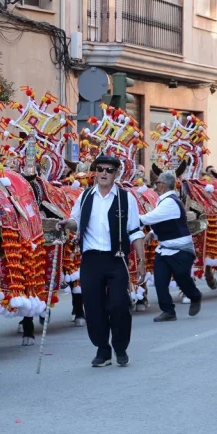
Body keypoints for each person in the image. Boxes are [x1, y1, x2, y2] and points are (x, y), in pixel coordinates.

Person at [57, 155, 145, 368]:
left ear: (116, 174)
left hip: (116, 258)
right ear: (95, 172)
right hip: (91, 259)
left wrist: (142, 260)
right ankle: (102, 350)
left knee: (118, 304)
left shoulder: (126, 198)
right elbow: (76, 221)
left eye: (109, 170)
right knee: (93, 307)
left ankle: (120, 347)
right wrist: (66, 224)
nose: (104, 173)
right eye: (100, 169)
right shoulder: (85, 196)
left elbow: (135, 231)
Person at [139, 171, 201, 322]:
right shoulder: (164, 200)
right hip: (164, 249)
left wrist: (129, 218)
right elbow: (165, 221)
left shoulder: (169, 202)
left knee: (182, 278)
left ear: (164, 185)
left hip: (180, 249)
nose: (155, 186)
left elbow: (151, 218)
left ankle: (195, 296)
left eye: (158, 183)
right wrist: (153, 233)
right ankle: (168, 311)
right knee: (160, 281)